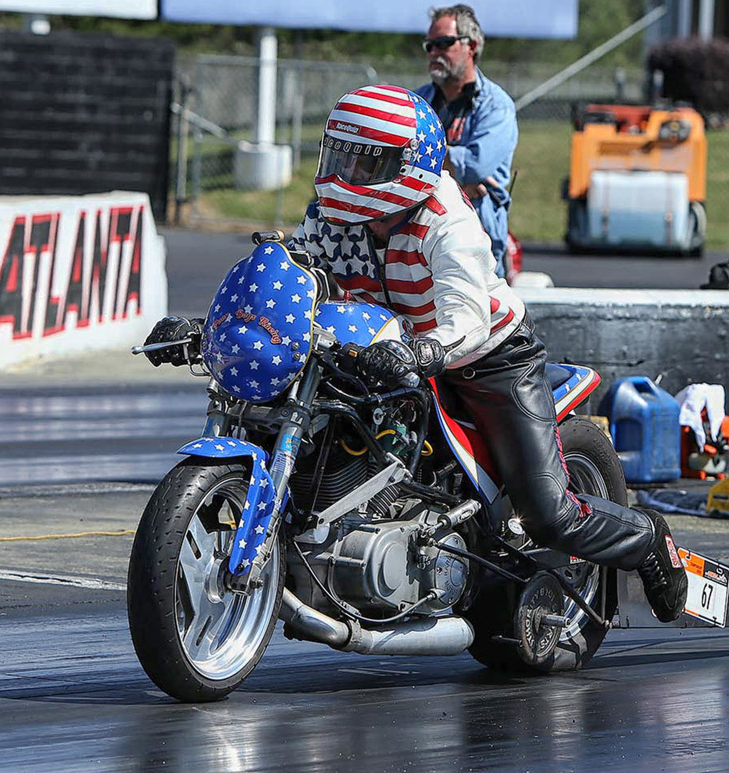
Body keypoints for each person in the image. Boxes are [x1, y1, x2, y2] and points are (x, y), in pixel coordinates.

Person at [144, 84, 688, 622]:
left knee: (547, 513)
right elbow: (293, 276)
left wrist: (425, 351)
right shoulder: (331, 216)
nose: (346, 176)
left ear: (407, 165)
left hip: (486, 360)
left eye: (365, 164)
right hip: (381, 350)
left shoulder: (447, 222)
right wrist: (215, 325)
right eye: (341, 158)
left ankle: (647, 540)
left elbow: (467, 318)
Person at [415, 4, 517, 279]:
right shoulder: (417, 101)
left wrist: (420, 160)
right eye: (429, 46)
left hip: (476, 244)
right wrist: (457, 181)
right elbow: (393, 153)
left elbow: (474, 165)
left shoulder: (497, 105)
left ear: (471, 46)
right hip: (418, 243)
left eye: (443, 43)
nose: (434, 52)